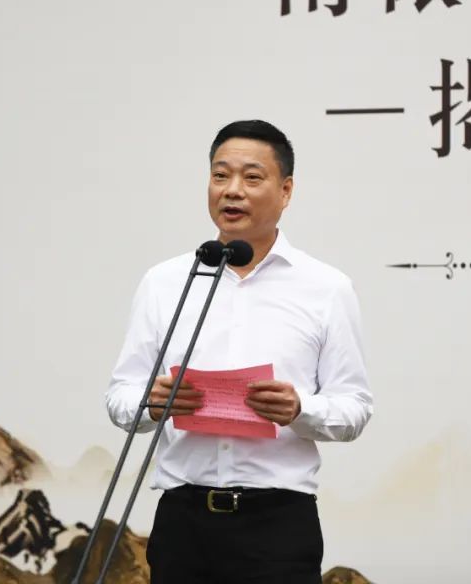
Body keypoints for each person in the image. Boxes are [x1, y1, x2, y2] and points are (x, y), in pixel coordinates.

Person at [105, 119, 373, 584]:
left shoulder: (326, 288)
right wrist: (152, 403)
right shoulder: (165, 282)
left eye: (252, 177)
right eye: (220, 175)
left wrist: (299, 409)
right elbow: (120, 397)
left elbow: (354, 408)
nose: (232, 190)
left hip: (277, 527)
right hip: (182, 522)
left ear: (286, 190)